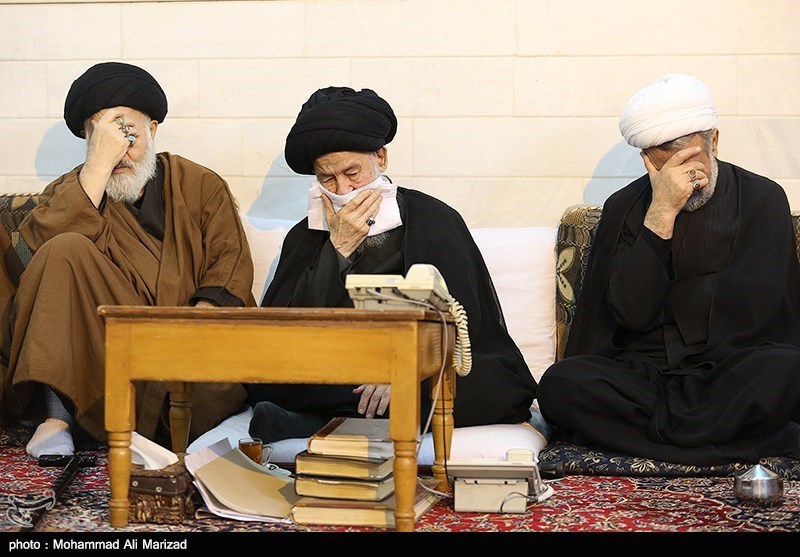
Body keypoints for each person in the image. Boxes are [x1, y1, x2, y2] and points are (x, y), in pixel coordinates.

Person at [246, 86, 537, 443]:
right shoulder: (305, 235)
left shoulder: (435, 218)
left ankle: (315, 422)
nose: (343, 189)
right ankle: (372, 416)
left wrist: (406, 372)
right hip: (340, 368)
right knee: (264, 376)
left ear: (381, 158)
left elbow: (466, 330)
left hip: (422, 366)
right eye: (328, 179)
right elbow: (287, 331)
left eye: (353, 173)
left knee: (499, 385)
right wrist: (337, 249)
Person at [537, 73, 800, 466]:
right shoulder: (624, 208)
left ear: (714, 141)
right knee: (562, 384)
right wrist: (660, 214)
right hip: (646, 377)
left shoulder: (762, 198)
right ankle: (737, 443)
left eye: (691, 161)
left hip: (731, 372)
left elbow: (763, 313)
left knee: (785, 368)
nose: (685, 178)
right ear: (647, 159)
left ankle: (663, 440)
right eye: (667, 164)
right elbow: (629, 315)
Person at [0, 62, 256, 458]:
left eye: (126, 133)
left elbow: (231, 264)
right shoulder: (73, 190)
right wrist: (97, 167)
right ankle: (58, 417)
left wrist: (191, 333)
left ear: (152, 129)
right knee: (64, 248)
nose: (118, 149)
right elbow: (38, 259)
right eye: (101, 137)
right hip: (109, 355)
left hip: (191, 353)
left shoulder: (200, 184)